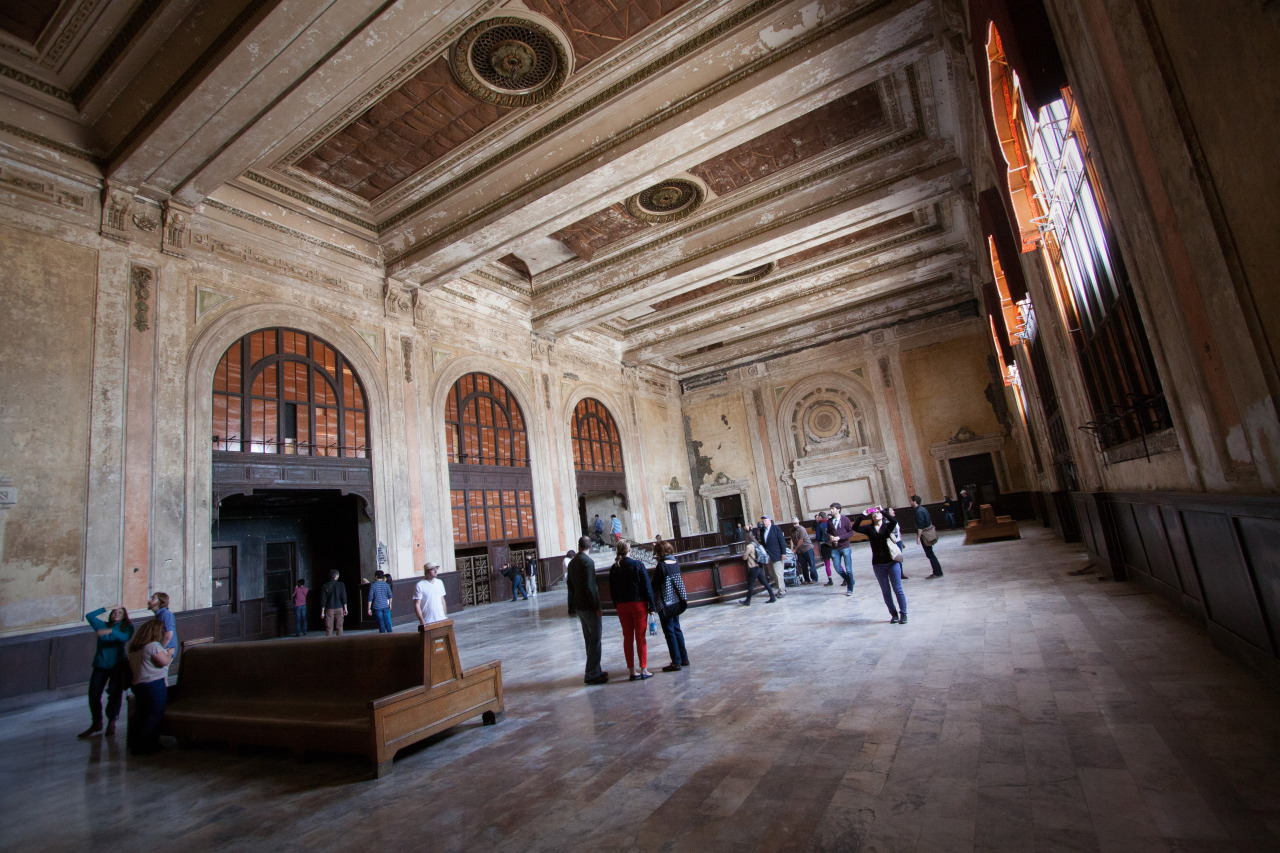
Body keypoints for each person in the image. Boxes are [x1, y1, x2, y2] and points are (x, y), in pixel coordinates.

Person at [78, 605, 134, 738]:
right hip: (101, 664)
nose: (116, 614)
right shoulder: (101, 625)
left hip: (117, 665)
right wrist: (106, 608)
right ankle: (96, 722)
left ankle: (112, 722)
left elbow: (125, 638)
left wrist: (110, 632)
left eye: (120, 612)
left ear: (124, 616)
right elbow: (89, 616)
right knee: (93, 694)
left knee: (115, 693)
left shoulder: (127, 627)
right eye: (114, 612)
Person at [608, 541, 655, 680]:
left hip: (622, 606)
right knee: (640, 637)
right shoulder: (637, 565)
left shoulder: (614, 568)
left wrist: (616, 605)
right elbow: (647, 586)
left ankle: (631, 671)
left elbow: (612, 590)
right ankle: (644, 669)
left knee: (627, 638)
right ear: (630, 550)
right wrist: (652, 605)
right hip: (638, 604)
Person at [853, 506, 907, 624]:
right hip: (878, 564)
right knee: (885, 591)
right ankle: (893, 614)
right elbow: (855, 527)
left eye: (877, 513)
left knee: (897, 589)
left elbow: (894, 521)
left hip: (892, 562)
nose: (875, 514)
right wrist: (863, 514)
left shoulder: (887, 526)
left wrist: (882, 510)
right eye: (874, 513)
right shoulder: (869, 528)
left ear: (882, 515)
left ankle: (904, 613)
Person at [127, 616, 172, 755]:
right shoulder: (153, 646)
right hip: (153, 685)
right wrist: (169, 653)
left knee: (141, 714)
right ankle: (147, 745)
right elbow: (163, 662)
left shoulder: (135, 648)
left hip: (138, 685)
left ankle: (136, 744)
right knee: (153, 715)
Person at [566, 536, 608, 684]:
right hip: (589, 606)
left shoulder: (572, 563)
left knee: (588, 639)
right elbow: (591, 587)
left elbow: (570, 586)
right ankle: (591, 674)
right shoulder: (588, 562)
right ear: (590, 547)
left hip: (579, 606)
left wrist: (572, 605)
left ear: (579, 546)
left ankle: (595, 669)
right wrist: (597, 607)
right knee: (595, 639)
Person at [651, 541, 690, 672]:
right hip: (676, 602)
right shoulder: (675, 563)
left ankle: (675, 662)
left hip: (666, 603)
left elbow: (655, 585)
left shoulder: (662, 566)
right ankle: (684, 658)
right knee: (677, 629)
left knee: (669, 631)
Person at [911, 495, 944, 578]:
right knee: (930, 553)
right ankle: (937, 571)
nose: (910, 502)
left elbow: (920, 526)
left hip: (925, 535)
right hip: (928, 533)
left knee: (930, 554)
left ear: (914, 502)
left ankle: (937, 572)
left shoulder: (919, 511)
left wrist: (918, 538)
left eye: (911, 501)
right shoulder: (923, 509)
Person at [741, 530, 777, 605]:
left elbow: (744, 557)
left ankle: (747, 601)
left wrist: (744, 555)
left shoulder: (749, 546)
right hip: (759, 566)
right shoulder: (756, 544)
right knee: (765, 582)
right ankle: (772, 596)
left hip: (753, 567)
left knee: (750, 585)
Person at [828, 503, 856, 595]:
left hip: (845, 547)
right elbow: (828, 532)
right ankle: (850, 580)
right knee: (838, 568)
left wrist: (840, 537)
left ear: (838, 509)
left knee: (848, 569)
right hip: (835, 548)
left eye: (833, 509)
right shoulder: (829, 521)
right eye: (830, 509)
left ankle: (850, 588)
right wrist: (831, 536)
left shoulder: (845, 519)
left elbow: (851, 532)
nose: (831, 510)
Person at [759, 515, 788, 596]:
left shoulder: (776, 529)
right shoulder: (762, 530)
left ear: (770, 521)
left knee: (778, 573)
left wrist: (783, 553)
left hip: (777, 554)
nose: (763, 522)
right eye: (763, 521)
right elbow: (763, 542)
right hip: (768, 556)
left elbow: (782, 541)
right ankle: (780, 589)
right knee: (773, 573)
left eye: (765, 520)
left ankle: (782, 591)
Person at [413, 563, 448, 627]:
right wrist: (421, 620)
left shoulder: (439, 582)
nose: (436, 571)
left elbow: (442, 600)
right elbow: (417, 604)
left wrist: (445, 616)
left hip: (441, 619)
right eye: (433, 569)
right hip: (428, 621)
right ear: (426, 571)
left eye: (436, 569)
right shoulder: (420, 585)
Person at [320, 569, 347, 636]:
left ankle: (329, 644)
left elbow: (323, 599)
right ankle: (340, 643)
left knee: (329, 628)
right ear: (336, 576)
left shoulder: (325, 586)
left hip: (329, 609)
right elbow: (344, 597)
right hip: (339, 607)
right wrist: (345, 608)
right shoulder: (341, 584)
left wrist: (322, 612)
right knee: (340, 627)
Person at [790, 517, 816, 584]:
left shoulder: (802, 529)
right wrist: (792, 549)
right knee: (803, 565)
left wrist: (795, 549)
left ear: (798, 522)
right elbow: (792, 539)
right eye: (794, 524)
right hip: (799, 550)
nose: (795, 525)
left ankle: (814, 578)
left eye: (796, 523)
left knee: (811, 564)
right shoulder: (792, 530)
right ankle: (806, 579)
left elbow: (801, 540)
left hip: (807, 548)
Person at [815, 511, 835, 585]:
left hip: (824, 545)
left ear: (820, 517)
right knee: (837, 562)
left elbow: (818, 537)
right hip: (832, 544)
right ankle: (844, 578)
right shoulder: (830, 523)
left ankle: (830, 580)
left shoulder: (819, 525)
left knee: (827, 564)